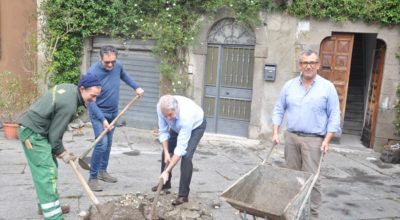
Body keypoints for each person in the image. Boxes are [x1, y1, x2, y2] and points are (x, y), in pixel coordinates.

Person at [19, 73, 101, 220]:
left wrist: (60, 150)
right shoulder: (69, 105)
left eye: (96, 96)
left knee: (50, 168)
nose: (93, 100)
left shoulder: (70, 89)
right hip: (34, 134)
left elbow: (55, 127)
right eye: (92, 95)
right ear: (82, 89)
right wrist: (62, 152)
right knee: (47, 173)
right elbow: (55, 136)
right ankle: (54, 216)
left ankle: (47, 205)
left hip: (39, 132)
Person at [271, 50, 341, 219]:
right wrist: (275, 132)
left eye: (312, 62)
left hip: (314, 140)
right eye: (304, 63)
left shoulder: (327, 87)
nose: (308, 66)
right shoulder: (289, 86)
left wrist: (327, 139)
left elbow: (334, 114)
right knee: (292, 176)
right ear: (299, 65)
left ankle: (312, 215)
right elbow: (279, 108)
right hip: (291, 137)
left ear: (318, 65)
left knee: (313, 180)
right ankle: (293, 211)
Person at [87, 45, 144, 191]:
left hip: (113, 112)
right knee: (101, 144)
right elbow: (90, 101)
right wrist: (102, 119)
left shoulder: (117, 66)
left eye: (113, 61)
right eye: (107, 62)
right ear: (100, 58)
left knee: (109, 143)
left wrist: (136, 87)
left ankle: (102, 171)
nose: (111, 65)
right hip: (98, 113)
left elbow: (124, 75)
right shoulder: (92, 73)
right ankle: (92, 178)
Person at [154, 95, 207, 205]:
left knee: (186, 156)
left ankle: (183, 196)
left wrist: (167, 170)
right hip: (176, 126)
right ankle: (165, 183)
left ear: (176, 108)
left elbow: (180, 149)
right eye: (166, 116)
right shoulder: (160, 108)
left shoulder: (186, 117)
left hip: (196, 127)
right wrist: (167, 152)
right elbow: (163, 131)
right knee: (166, 151)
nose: (168, 118)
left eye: (170, 115)